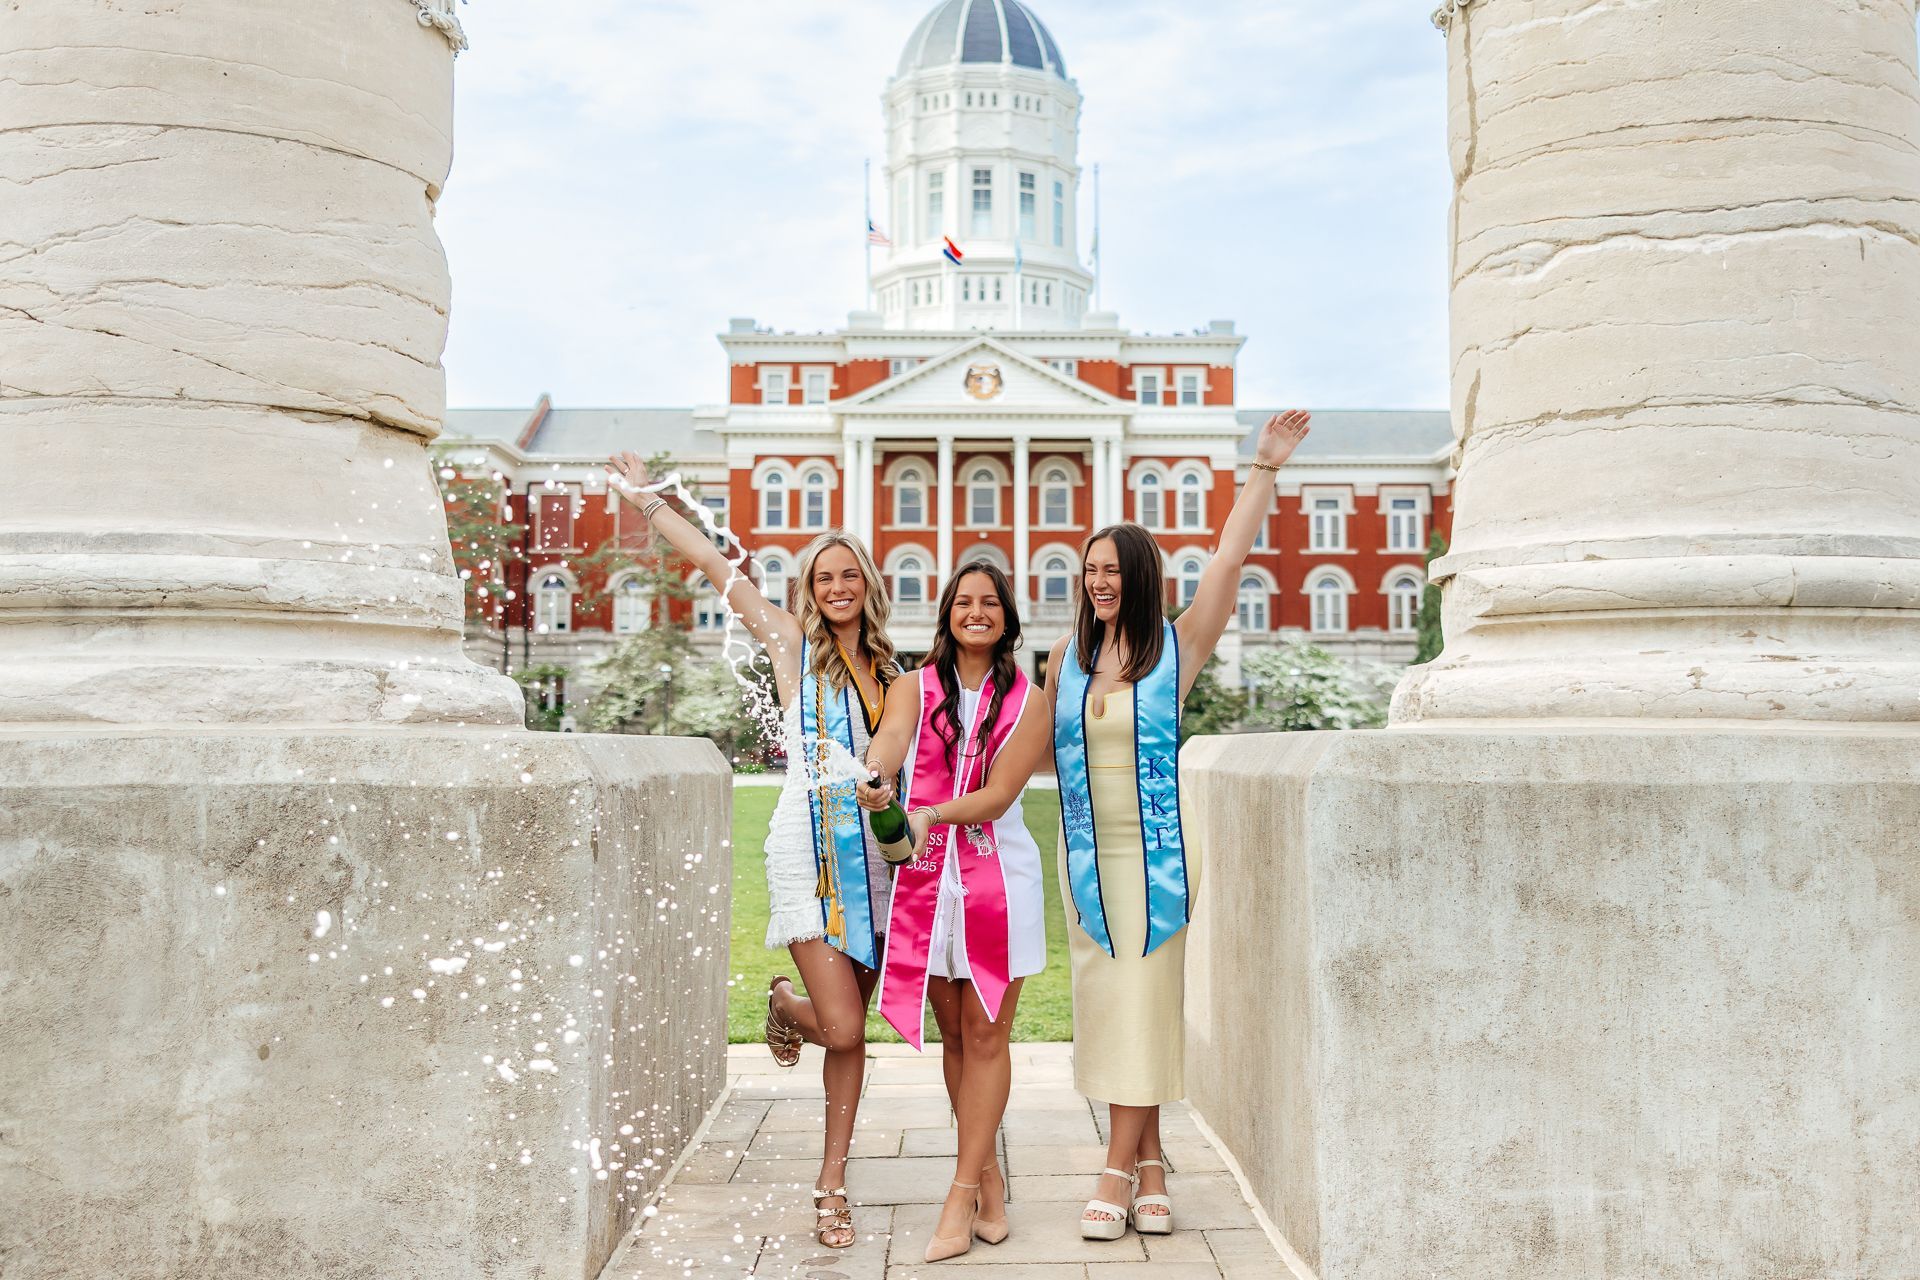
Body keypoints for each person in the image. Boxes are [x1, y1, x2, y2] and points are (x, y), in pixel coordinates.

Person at [606, 451, 899, 1251]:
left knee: (855, 1032)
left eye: (850, 577)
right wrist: (646, 502)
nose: (837, 589)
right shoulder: (788, 644)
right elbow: (711, 561)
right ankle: (785, 1005)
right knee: (839, 1029)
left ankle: (831, 1182)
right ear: (808, 590)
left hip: (871, 863)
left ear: (868, 585)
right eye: (823, 578)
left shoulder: (893, 674)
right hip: (803, 848)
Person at [1049, 410, 1312, 1240]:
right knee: (1119, 1004)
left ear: (1139, 573)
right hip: (1088, 855)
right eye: (1088, 570)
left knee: (1147, 994)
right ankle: (1155, 1160)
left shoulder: (1176, 644)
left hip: (1159, 851)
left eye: (1111, 569)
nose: (1098, 582)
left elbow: (1228, 562)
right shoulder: (1068, 660)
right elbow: (1031, 752)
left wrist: (1263, 468)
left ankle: (1117, 1167)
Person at [856, 561, 1051, 1262]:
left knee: (988, 1034)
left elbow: (997, 798)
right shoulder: (913, 685)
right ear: (947, 613)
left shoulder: (1034, 700)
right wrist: (877, 782)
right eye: (964, 601)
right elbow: (891, 744)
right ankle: (990, 1176)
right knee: (957, 1039)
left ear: (1006, 616)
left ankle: (960, 1191)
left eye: (989, 602)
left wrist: (929, 811)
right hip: (930, 884)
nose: (976, 612)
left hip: (1002, 879)